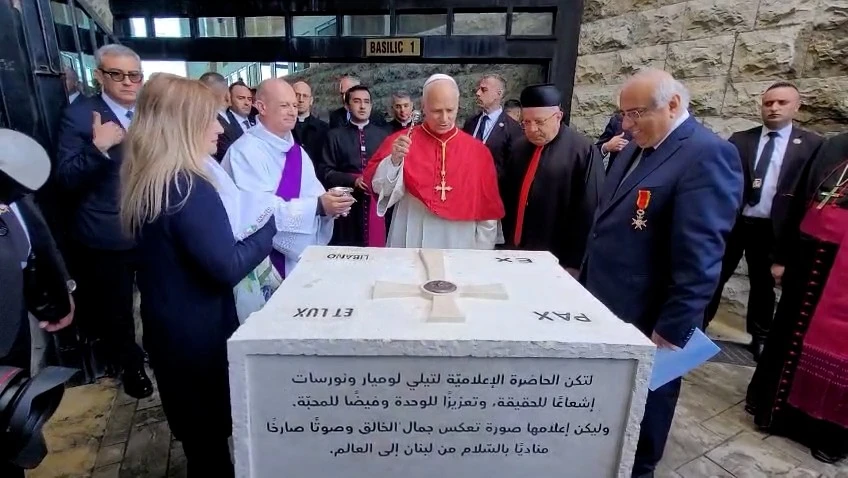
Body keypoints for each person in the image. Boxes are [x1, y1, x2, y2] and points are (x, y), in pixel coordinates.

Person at [580, 69, 743, 478]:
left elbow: (702, 258)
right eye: (623, 115)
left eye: (636, 114)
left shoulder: (707, 154)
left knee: (648, 401)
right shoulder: (638, 145)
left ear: (673, 105)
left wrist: (673, 329)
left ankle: (640, 467)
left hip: (652, 315)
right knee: (612, 400)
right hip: (608, 301)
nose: (627, 125)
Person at [119, 73, 276, 478]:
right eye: (210, 117)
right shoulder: (187, 184)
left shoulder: (149, 176)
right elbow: (225, 266)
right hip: (199, 337)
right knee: (210, 450)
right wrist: (268, 227)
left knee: (200, 445)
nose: (220, 127)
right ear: (184, 123)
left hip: (170, 330)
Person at [54, 43, 152, 398]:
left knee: (158, 298)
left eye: (134, 75)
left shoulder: (150, 112)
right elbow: (65, 178)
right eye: (117, 74)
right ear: (99, 76)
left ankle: (156, 351)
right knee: (119, 310)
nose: (127, 82)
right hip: (106, 233)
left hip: (153, 227)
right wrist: (99, 149)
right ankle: (130, 365)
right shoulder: (80, 115)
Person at [745, 132, 848, 465]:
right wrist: (781, 255)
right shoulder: (832, 146)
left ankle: (828, 435)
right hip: (808, 261)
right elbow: (795, 198)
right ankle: (777, 413)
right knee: (789, 333)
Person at [704, 81, 822, 360]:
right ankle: (697, 327)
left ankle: (760, 337)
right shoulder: (741, 140)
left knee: (762, 285)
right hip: (735, 224)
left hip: (773, 228)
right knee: (713, 276)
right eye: (769, 103)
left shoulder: (812, 146)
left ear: (796, 106)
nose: (774, 108)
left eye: (782, 103)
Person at [1, 129, 75, 478]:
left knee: (12, 434)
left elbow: (39, 240)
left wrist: (62, 294)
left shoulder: (9, 169)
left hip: (13, 330)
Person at [223, 78, 354, 276]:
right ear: (261, 107)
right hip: (265, 262)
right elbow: (256, 214)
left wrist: (332, 207)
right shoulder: (244, 152)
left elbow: (315, 194)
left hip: (302, 263)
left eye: (294, 105)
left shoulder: (296, 152)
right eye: (284, 105)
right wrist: (318, 206)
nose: (293, 111)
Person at [362, 74, 505, 250]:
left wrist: (481, 254)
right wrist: (394, 161)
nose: (444, 118)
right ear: (423, 107)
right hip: (412, 230)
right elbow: (380, 190)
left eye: (450, 110)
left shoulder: (478, 152)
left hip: (459, 238)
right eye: (437, 111)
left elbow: (487, 210)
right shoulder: (402, 141)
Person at [501, 84, 603, 274]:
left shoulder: (583, 151)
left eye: (539, 122)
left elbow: (589, 211)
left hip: (558, 258)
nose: (532, 129)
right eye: (526, 122)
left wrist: (574, 263)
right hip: (514, 252)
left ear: (558, 116)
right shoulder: (518, 148)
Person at [318, 85, 390, 247]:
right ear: (347, 106)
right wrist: (352, 181)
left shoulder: (383, 135)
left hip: (377, 202)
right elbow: (325, 171)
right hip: (346, 209)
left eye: (366, 102)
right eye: (357, 101)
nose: (362, 106)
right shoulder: (334, 136)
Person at [462, 74, 523, 183]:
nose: (478, 93)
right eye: (478, 89)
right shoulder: (470, 123)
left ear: (498, 94)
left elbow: (513, 168)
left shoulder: (512, 129)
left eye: (484, 90)